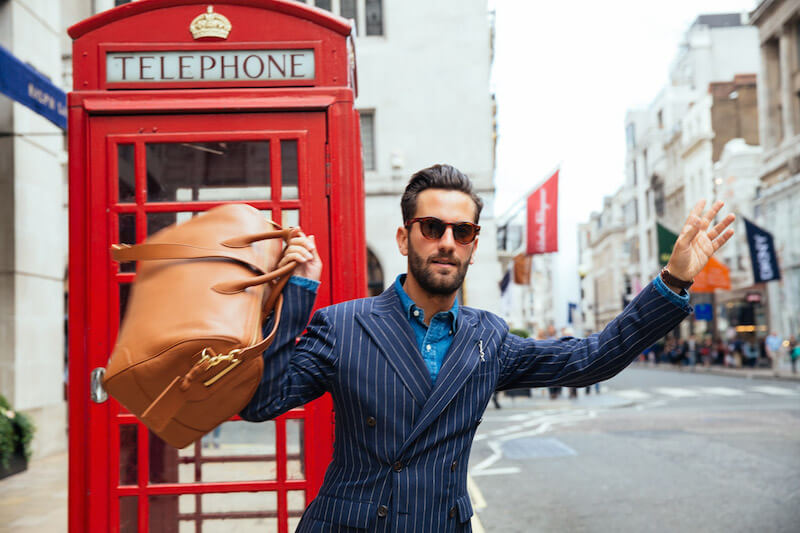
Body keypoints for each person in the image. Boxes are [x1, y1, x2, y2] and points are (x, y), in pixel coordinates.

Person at [240, 164, 735, 532]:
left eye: (463, 231)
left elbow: (591, 358)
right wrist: (298, 293)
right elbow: (262, 401)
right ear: (404, 238)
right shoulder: (344, 325)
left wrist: (672, 281)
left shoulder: (490, 337)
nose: (447, 241)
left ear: (474, 246)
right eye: (432, 227)